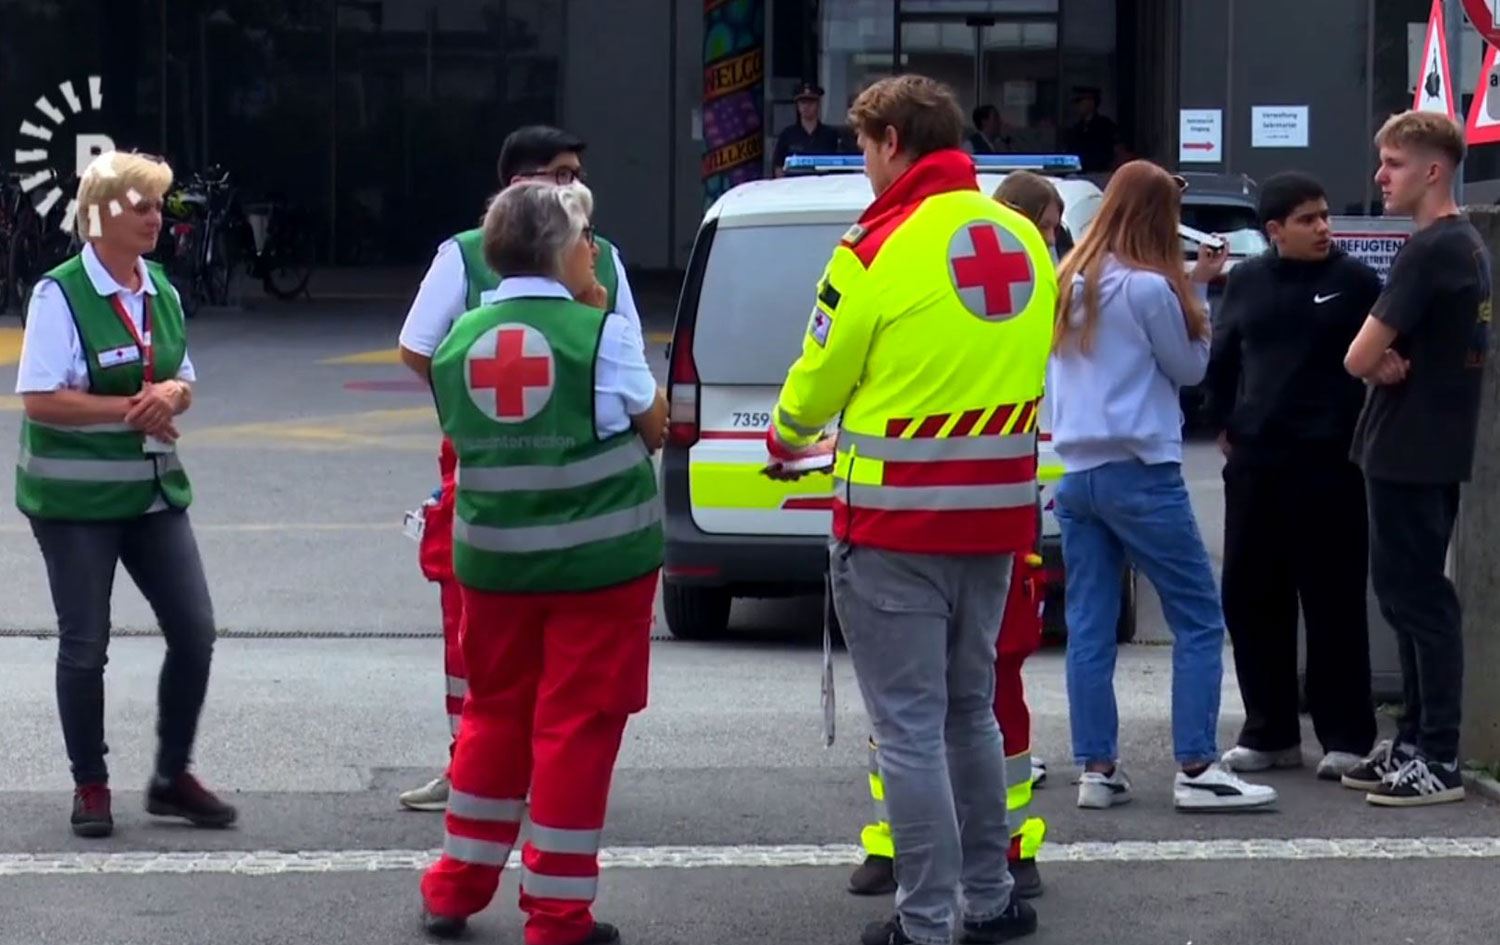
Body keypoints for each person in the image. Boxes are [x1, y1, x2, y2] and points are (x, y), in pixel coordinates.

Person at [766, 73, 1054, 945]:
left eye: (863, 145)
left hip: (894, 527)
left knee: (909, 732)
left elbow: (818, 379)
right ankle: (991, 900)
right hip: (997, 524)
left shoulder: (874, 245)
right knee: (973, 710)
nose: (862, 163)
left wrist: (786, 434)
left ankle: (925, 921)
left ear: (892, 141)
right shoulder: (1023, 236)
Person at [418, 180, 668, 943]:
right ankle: (557, 913)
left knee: (493, 714)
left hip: (494, 567)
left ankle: (454, 885)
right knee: (575, 727)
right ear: (560, 249)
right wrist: (596, 313)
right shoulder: (600, 335)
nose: (595, 249)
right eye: (586, 236)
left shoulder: (458, 341)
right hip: (598, 569)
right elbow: (654, 427)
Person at [395, 125, 643, 812]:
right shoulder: (465, 254)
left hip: (575, 480)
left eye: (577, 173)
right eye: (560, 174)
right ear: (517, 185)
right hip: (490, 470)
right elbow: (419, 348)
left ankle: (536, 769)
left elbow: (626, 356)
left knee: (561, 646)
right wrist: (476, 415)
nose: (574, 186)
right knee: (473, 635)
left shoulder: (602, 257)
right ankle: (468, 761)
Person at [851, 167, 1067, 904]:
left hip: (961, 526)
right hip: (978, 523)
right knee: (944, 701)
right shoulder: (1012, 288)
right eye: (1047, 227)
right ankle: (925, 851)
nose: (1049, 242)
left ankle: (989, 853)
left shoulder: (1003, 289)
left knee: (954, 701)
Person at [14, 149, 236, 838]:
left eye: (157, 204)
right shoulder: (59, 295)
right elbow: (40, 398)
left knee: (194, 631)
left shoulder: (160, 288)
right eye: (140, 205)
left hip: (152, 490)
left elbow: (182, 377)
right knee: (86, 645)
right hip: (75, 503)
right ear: (100, 214)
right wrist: (132, 408)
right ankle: (91, 782)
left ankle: (171, 777)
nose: (155, 217)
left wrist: (171, 394)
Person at [1046, 160, 1277, 813]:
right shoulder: (1150, 288)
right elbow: (1191, 365)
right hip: (1140, 468)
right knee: (1199, 616)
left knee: (1090, 625)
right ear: (1157, 218)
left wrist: (1188, 281)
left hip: (1078, 471)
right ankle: (1197, 765)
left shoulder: (1068, 280)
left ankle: (1097, 768)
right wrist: (1195, 293)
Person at [1206, 171, 1381, 781]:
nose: (1323, 228)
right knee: (1252, 597)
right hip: (1257, 465)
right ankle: (1270, 731)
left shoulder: (1355, 282)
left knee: (1333, 601)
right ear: (1274, 230)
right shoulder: (1247, 280)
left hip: (1331, 465)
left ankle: (1347, 735)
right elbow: (1224, 356)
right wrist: (1221, 419)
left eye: (1325, 216)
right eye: (1308, 219)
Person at [1341, 110, 1491, 807]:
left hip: (1411, 447)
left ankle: (1438, 754)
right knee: (1405, 597)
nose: (1380, 176)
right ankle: (1412, 743)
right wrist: (1380, 360)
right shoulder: (1464, 245)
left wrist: (1374, 360)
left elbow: (1357, 354)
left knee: (1419, 601)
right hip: (1422, 445)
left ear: (1433, 171)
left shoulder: (1432, 249)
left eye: (1394, 164)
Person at [772, 82, 844, 176]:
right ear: (797, 106)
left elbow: (840, 166)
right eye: (803, 102)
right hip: (795, 184)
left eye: (811, 102)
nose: (806, 106)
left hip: (824, 184)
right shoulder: (787, 135)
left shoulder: (831, 135)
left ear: (818, 104)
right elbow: (778, 166)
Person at [1063, 87, 1117, 174]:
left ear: (1091, 102)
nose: (1077, 106)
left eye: (1080, 101)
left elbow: (1109, 153)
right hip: (1079, 173)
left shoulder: (1104, 125)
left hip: (1099, 173)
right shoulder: (1077, 128)